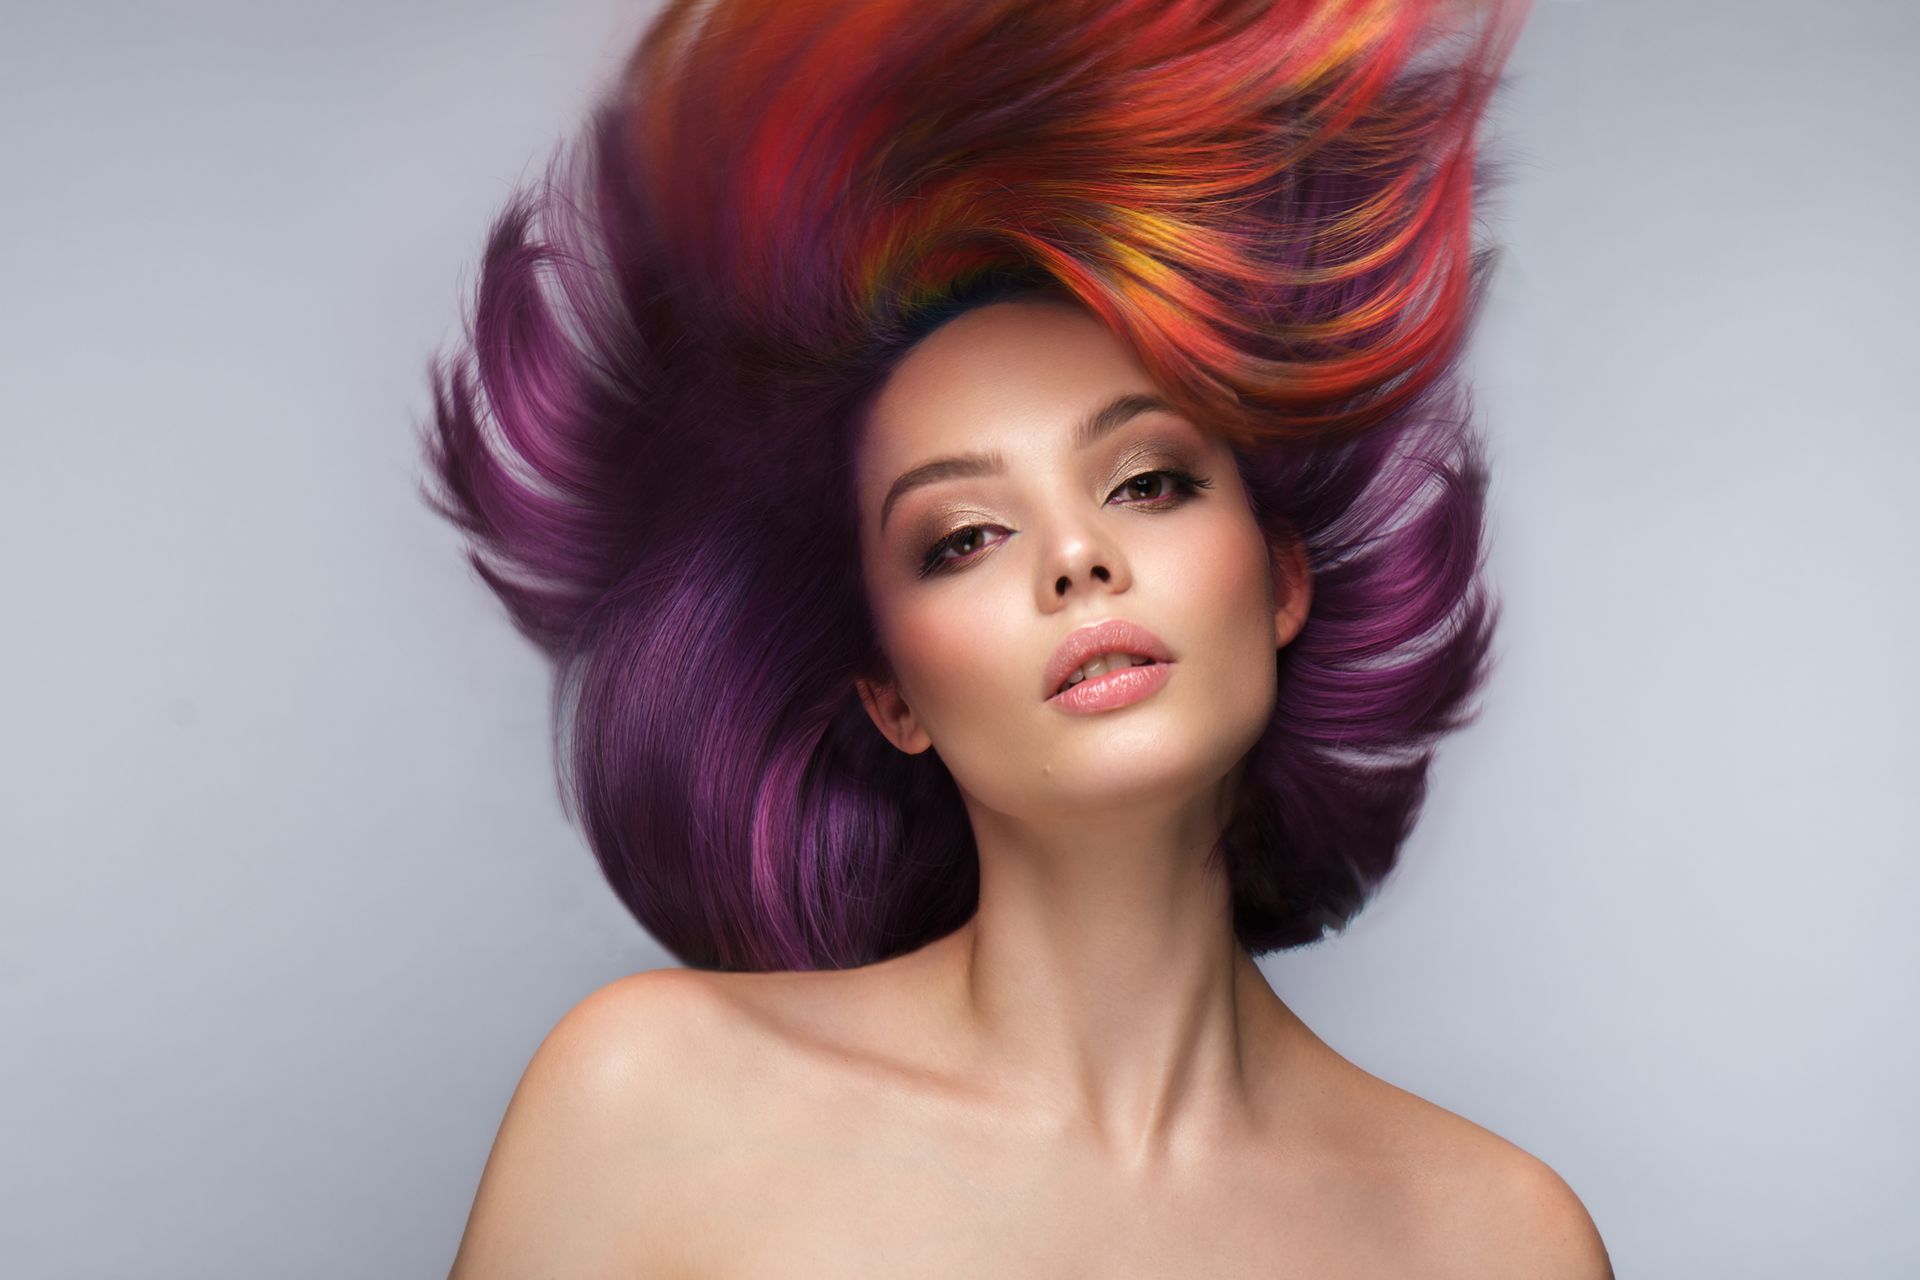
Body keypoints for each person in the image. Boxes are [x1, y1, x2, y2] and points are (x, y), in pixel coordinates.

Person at [424, 0, 1611, 1272]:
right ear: (892, 692)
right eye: (963, 537)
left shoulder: (1494, 1237)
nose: (1076, 558)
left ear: (1278, 578)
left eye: (1147, 481)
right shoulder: (649, 1102)